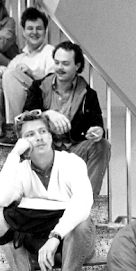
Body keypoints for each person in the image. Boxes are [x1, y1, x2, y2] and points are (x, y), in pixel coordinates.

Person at [0, 111, 95, 271]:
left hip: (72, 245)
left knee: (82, 221)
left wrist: (55, 237)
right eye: (30, 134)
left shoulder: (71, 162)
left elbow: (83, 202)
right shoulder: (21, 169)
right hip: (39, 247)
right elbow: (1, 199)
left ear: (51, 136)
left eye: (42, 131)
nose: (38, 137)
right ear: (22, 141)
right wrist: (13, 155)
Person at [22, 41, 111, 197]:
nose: (59, 68)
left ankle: (84, 201)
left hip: (73, 150)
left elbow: (97, 124)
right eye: (56, 62)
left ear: (77, 66)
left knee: (102, 145)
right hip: (46, 149)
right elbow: (25, 118)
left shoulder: (88, 94)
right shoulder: (39, 86)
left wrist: (97, 131)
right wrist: (47, 113)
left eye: (65, 63)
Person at [0, 7, 55, 145]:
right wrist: (0, 70)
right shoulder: (19, 58)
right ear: (24, 32)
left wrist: (32, 73)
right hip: (18, 95)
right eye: (30, 28)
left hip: (37, 101)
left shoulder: (50, 52)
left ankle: (16, 129)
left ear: (45, 31)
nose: (34, 32)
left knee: (11, 73)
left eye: (39, 28)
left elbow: (53, 83)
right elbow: (6, 77)